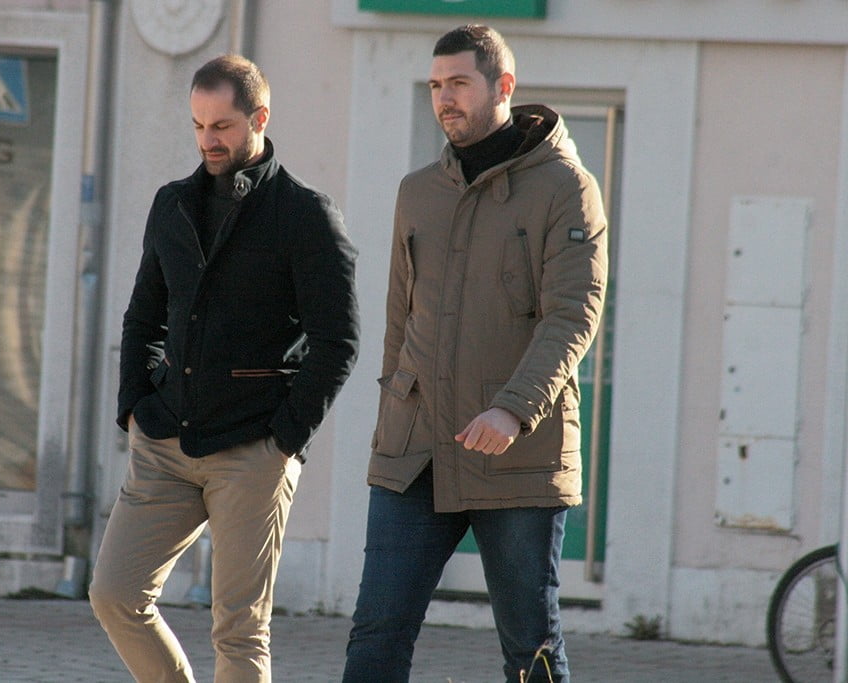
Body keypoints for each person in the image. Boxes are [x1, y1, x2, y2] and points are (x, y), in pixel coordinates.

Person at [342, 25, 608, 683]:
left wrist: (513, 409)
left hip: (518, 452)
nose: (444, 98)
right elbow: (399, 320)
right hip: (416, 452)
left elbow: (573, 315)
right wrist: (392, 419)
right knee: (375, 635)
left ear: (503, 87)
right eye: (436, 85)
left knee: (530, 646)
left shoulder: (566, 187)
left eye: (458, 83)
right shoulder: (417, 192)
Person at [89, 54, 360, 683]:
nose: (209, 140)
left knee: (239, 631)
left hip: (253, 449)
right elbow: (143, 319)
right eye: (198, 125)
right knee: (115, 595)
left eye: (223, 126)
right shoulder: (173, 204)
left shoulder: (306, 214)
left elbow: (338, 341)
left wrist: (285, 441)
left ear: (259, 118)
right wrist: (135, 409)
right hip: (164, 441)